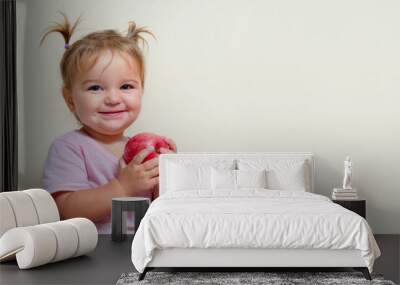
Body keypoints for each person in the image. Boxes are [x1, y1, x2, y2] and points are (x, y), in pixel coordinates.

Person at [40, 13, 177, 233]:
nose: (113, 99)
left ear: (141, 90)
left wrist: (166, 176)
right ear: (70, 100)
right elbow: (64, 210)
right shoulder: (69, 148)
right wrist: (122, 187)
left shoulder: (143, 152)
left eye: (126, 87)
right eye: (95, 88)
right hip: (94, 253)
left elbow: (163, 210)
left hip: (143, 251)